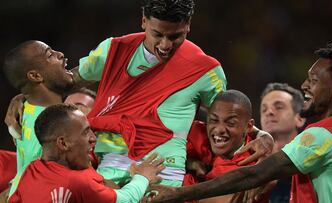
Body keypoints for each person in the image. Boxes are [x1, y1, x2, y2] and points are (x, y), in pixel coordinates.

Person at [5, 0, 272, 188]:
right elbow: (63, 81)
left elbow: (225, 119)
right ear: (143, 20)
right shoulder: (113, 50)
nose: (165, 45)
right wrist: (23, 97)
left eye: (175, 36)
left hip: (163, 176)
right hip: (104, 171)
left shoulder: (206, 70)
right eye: (158, 34)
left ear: (188, 25)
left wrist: (261, 134)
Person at [149, 42, 332, 203]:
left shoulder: (322, 135)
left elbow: (255, 175)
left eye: (313, 81)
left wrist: (178, 193)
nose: (304, 85)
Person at [8, 103, 165, 203]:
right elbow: (126, 199)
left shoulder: (33, 170)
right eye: (85, 132)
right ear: (63, 143)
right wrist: (142, 177)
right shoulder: (76, 182)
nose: (93, 138)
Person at [2, 40, 74, 196]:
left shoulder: (27, 110)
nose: (60, 54)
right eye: (50, 55)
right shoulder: (52, 129)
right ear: (35, 75)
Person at [185, 90, 269, 203]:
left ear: (248, 126)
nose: (219, 129)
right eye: (213, 120)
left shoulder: (251, 169)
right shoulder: (197, 133)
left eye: (230, 123)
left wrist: (176, 175)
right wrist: (189, 163)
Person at [259, 83, 305, 203]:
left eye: (279, 107)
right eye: (264, 109)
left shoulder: (311, 165)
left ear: (299, 118)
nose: (269, 112)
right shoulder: (248, 162)